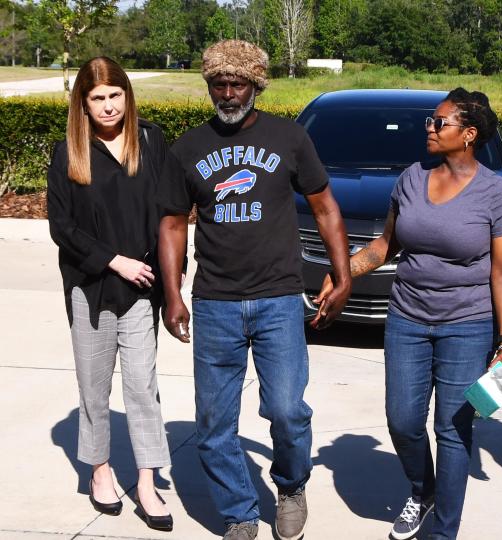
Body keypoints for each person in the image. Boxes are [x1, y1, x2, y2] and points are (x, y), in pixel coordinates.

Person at [156, 40, 352, 540]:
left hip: (279, 298)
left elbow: (325, 206)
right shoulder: (188, 147)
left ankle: (290, 485)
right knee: (214, 423)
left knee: (287, 410)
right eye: (218, 83)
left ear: (255, 85)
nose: (227, 92)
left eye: (237, 83)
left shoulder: (289, 137)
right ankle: (240, 512)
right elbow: (175, 223)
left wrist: (344, 272)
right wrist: (173, 292)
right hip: (215, 301)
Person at [317, 88, 502, 540]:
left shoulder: (496, 192)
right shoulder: (412, 177)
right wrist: (342, 274)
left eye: (439, 123)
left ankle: (444, 531)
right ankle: (422, 490)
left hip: (467, 324)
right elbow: (385, 246)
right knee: (403, 420)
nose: (429, 128)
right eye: (431, 121)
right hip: (408, 317)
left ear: (468, 135)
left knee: (452, 428)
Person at [47, 56, 174, 532]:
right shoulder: (68, 153)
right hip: (90, 286)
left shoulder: (151, 141)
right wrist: (111, 259)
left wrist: (167, 276)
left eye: (114, 95)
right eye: (97, 98)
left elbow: (170, 212)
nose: (107, 106)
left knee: (143, 387)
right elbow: (62, 226)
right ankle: (99, 471)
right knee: (94, 389)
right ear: (83, 103)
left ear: (128, 95)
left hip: (142, 288)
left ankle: (146, 480)